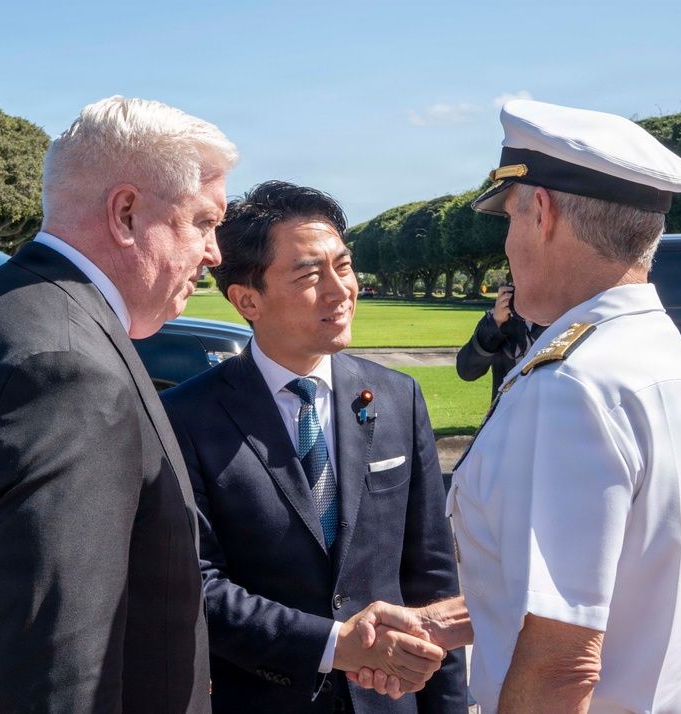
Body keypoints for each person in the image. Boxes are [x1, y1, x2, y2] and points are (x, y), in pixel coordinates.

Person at [0, 96, 237, 712]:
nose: (214, 253)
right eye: (204, 222)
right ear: (127, 213)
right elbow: (62, 678)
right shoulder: (70, 368)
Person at [351, 99, 681, 714]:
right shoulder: (674, 368)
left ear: (543, 212)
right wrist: (440, 623)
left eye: (508, 218)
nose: (505, 243)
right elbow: (611, 588)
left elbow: (564, 664)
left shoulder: (570, 386)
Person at [159, 180, 467, 713]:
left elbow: (431, 576)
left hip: (389, 700)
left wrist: (448, 706)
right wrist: (333, 646)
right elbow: (198, 587)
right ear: (246, 298)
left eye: (343, 267)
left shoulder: (398, 397)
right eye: (309, 274)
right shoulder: (186, 417)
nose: (339, 289)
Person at [455, 284, 545, 400]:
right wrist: (495, 324)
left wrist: (537, 319)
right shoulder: (501, 318)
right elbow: (467, 371)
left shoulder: (563, 316)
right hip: (508, 413)